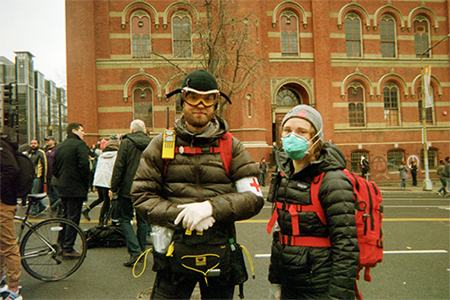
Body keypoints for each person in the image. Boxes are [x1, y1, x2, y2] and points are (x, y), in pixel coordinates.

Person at [131, 69, 265, 299]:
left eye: (208, 98)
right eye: (193, 97)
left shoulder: (232, 146)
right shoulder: (161, 144)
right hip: (173, 253)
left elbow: (254, 198)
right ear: (183, 100)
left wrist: (212, 208)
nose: (200, 105)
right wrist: (182, 215)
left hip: (220, 253)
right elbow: (142, 195)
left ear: (216, 103)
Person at [267, 105, 359, 299]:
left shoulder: (333, 181)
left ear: (316, 138)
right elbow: (281, 235)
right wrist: (275, 281)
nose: (293, 137)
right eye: (287, 130)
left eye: (302, 132)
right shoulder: (284, 176)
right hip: (289, 284)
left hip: (320, 287)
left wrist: (337, 296)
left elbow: (346, 247)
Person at [109, 119, 151, 267]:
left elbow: (119, 166)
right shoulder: (152, 143)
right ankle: (141, 251)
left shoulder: (126, 142)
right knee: (143, 221)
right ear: (144, 130)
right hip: (146, 187)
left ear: (132, 130)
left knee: (125, 219)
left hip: (128, 188)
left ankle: (135, 252)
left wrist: (113, 187)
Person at [52, 123, 90, 258]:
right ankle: (68, 247)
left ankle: (60, 243)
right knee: (73, 217)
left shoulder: (61, 145)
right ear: (74, 131)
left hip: (62, 186)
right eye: (82, 130)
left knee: (65, 215)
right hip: (76, 186)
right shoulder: (80, 145)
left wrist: (62, 178)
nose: (84, 133)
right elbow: (84, 166)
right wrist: (86, 183)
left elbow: (54, 168)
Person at [0, 134, 23, 300]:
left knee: (8, 244)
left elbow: (12, 169)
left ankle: (14, 289)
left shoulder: (1, 146)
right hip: (3, 199)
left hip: (3, 202)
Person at [82, 140, 119, 225]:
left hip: (99, 179)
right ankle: (102, 220)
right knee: (107, 201)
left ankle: (88, 209)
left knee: (101, 198)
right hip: (107, 180)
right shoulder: (116, 155)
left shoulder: (101, 155)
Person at [28, 139, 48, 216]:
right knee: (32, 193)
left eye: (35, 143)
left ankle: (34, 211)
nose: (33, 145)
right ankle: (42, 206)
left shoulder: (40, 153)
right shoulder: (29, 153)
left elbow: (44, 165)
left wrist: (44, 177)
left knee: (34, 193)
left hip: (37, 176)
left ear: (38, 144)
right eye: (31, 143)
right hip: (30, 176)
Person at [44, 136, 62, 217]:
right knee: (50, 193)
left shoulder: (57, 150)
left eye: (49, 140)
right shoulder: (45, 150)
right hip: (47, 174)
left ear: (53, 141)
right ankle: (53, 207)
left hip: (55, 175)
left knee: (57, 193)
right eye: (46, 140)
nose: (47, 141)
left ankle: (59, 209)